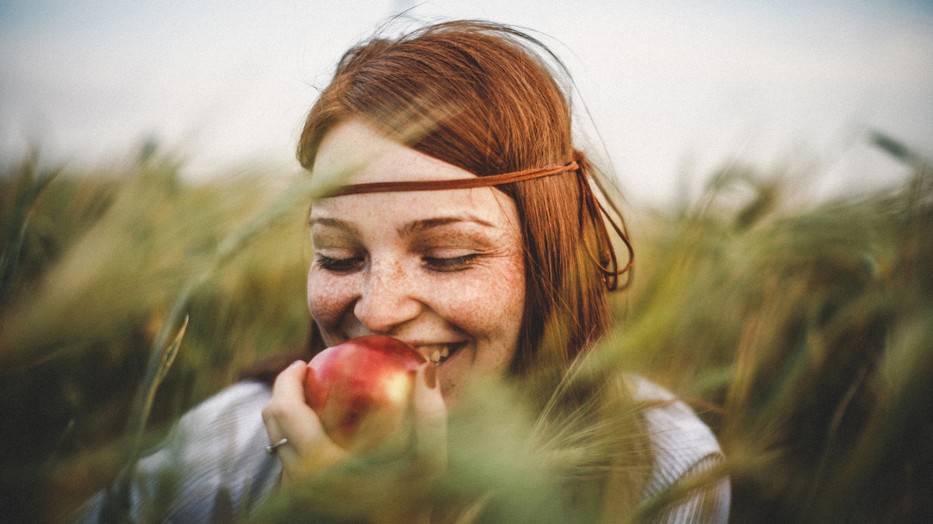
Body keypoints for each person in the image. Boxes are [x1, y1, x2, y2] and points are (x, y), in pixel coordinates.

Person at [77, 20, 729, 523]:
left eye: (448, 255)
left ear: (547, 256)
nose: (379, 309)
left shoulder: (656, 468)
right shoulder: (221, 451)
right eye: (338, 256)